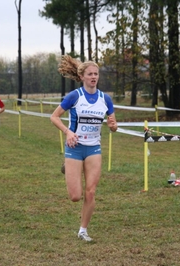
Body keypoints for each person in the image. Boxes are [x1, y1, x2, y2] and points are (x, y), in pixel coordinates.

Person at [50, 55, 118, 242]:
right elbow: (54, 117)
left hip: (93, 148)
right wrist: (68, 132)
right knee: (75, 196)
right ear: (82, 77)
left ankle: (83, 230)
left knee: (91, 191)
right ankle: (69, 167)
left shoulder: (105, 99)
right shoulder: (75, 96)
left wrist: (112, 125)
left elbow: (113, 125)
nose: (93, 77)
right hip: (75, 147)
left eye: (96, 74)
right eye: (90, 74)